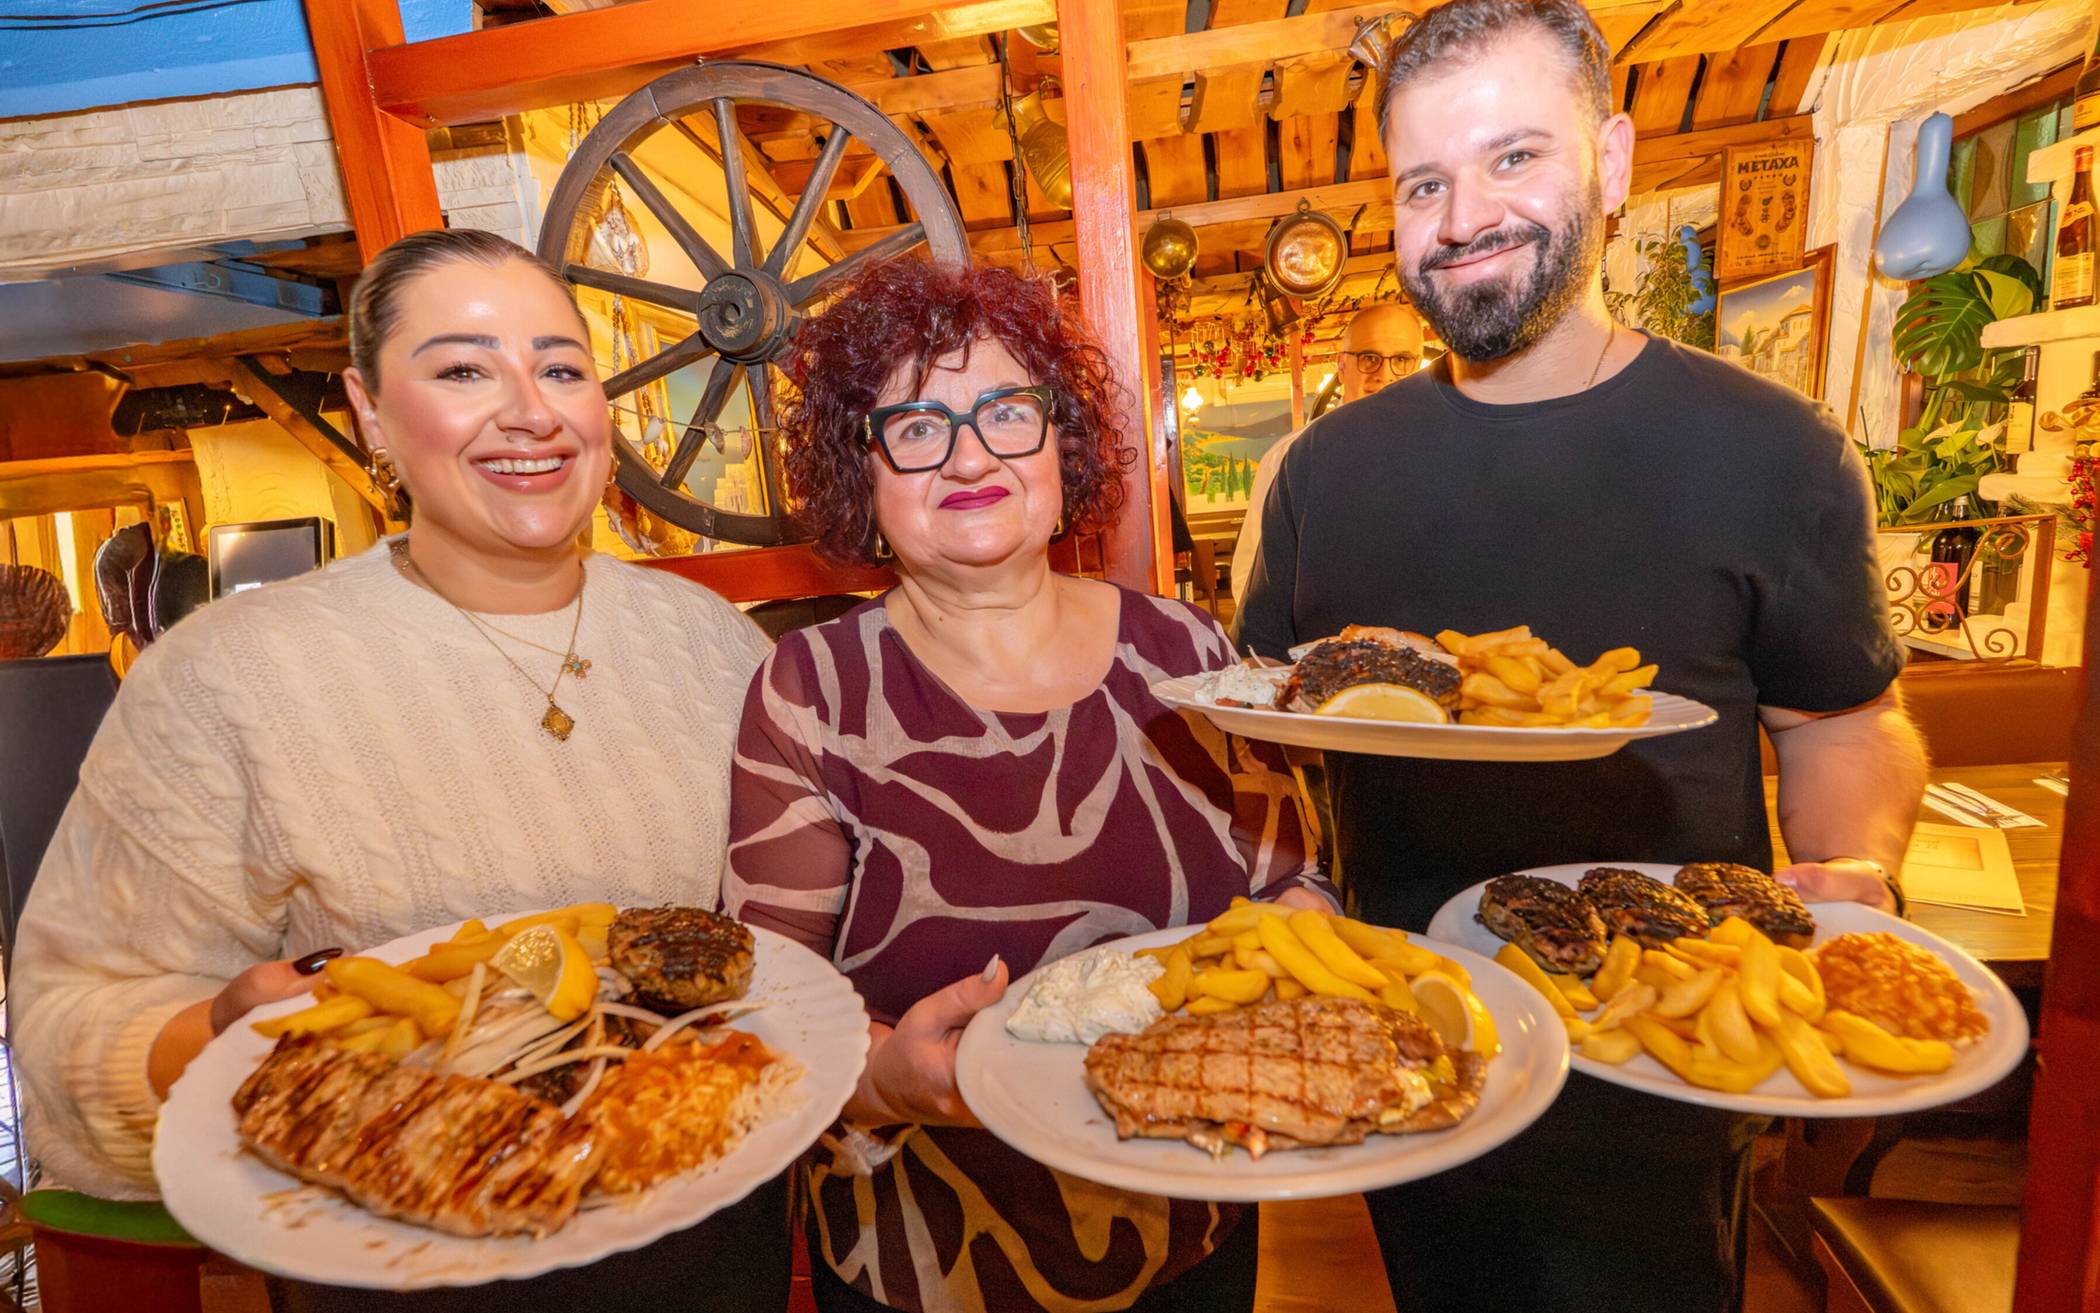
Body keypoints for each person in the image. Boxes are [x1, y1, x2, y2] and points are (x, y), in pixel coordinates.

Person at [1234, 2, 1927, 1310]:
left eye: (1514, 158)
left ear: (1611, 162)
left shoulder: (1778, 451)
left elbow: (1843, 721)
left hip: (1666, 1078)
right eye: (1423, 182)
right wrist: (1294, 876)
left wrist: (1858, 874)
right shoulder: (1322, 477)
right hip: (1415, 1054)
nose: (1464, 214)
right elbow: (1266, 733)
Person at [10, 229, 787, 1311]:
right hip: (406, 1252)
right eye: (465, 369)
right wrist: (218, 1036)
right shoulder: (226, 675)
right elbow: (62, 1029)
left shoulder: (714, 642)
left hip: (704, 1223)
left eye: (561, 367)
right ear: (369, 409)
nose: (532, 410)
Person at [723, 258, 1335, 1313]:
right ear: (858, 471)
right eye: (915, 425)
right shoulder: (810, 689)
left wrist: (1312, 953)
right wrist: (882, 1078)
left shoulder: (1184, 649)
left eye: (1005, 409)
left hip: (1196, 1215)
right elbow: (769, 1007)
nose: (968, 453)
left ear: (1060, 444)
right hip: (930, 1256)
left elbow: (1295, 886)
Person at [1229, 302, 1424, 602]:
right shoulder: (1289, 456)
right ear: (1342, 366)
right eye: (1369, 358)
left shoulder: (1446, 451)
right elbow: (1251, 580)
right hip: (1325, 644)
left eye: (1401, 359)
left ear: (1418, 365)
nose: (1385, 375)